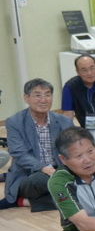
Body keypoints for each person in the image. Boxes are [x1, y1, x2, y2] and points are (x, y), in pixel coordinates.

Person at [1, 79, 74, 211]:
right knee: (48, 181)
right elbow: (19, 154)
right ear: (26, 98)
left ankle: (24, 202)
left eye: (47, 95)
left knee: (79, 186)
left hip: (59, 170)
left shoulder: (64, 121)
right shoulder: (14, 122)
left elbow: (72, 149)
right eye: (37, 95)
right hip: (29, 175)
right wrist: (45, 168)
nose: (43, 100)